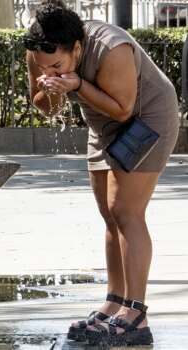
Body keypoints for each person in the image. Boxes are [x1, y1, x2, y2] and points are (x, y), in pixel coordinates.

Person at [24, 0, 179, 346]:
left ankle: (135, 315)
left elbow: (124, 110)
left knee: (126, 210)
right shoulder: (38, 50)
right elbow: (47, 107)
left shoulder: (112, 47)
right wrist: (51, 91)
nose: (47, 70)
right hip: (100, 122)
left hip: (146, 116)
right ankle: (115, 302)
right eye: (42, 65)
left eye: (57, 65)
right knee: (109, 215)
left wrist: (77, 85)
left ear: (77, 49)